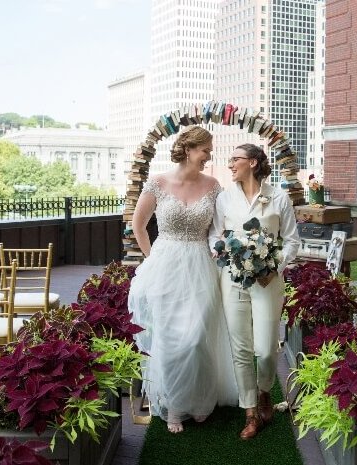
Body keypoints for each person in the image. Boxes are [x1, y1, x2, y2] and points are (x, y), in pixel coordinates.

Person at [128, 126, 237, 434]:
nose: (209, 155)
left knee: (197, 336)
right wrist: (152, 260)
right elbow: (138, 225)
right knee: (171, 338)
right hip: (165, 265)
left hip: (201, 265)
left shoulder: (214, 185)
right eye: (206, 150)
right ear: (190, 149)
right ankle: (174, 403)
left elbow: (220, 227)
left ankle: (201, 400)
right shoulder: (158, 183)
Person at [209, 143, 300, 440]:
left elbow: (291, 241)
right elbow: (215, 235)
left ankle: (264, 393)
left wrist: (275, 265)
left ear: (252, 162)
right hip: (233, 279)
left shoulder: (279, 197)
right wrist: (223, 252)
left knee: (264, 349)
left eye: (234, 159)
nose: (230, 164)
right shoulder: (224, 198)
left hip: (268, 282)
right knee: (241, 349)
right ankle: (250, 412)